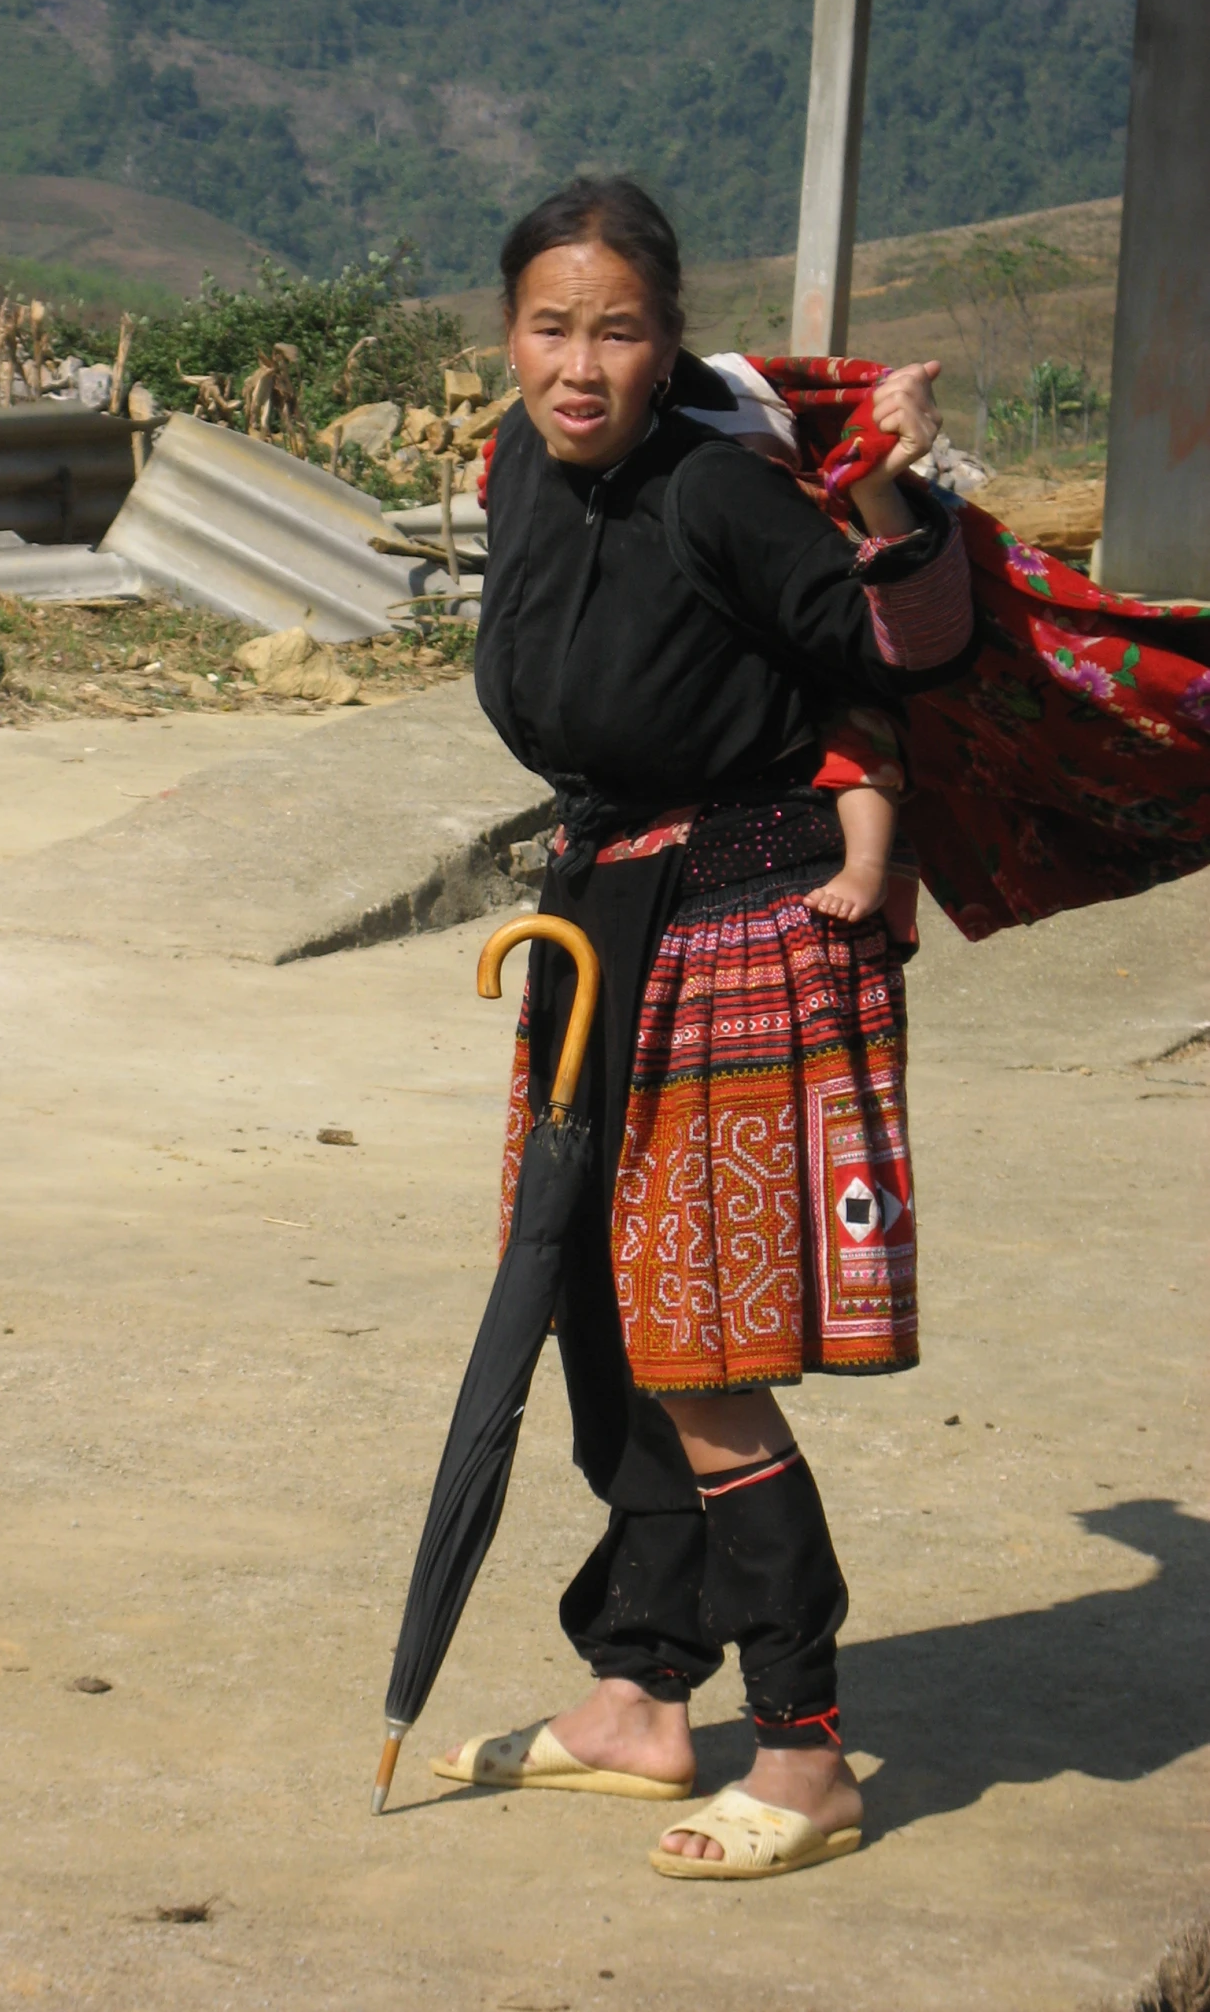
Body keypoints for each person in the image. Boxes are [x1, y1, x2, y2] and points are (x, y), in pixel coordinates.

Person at [432, 175, 974, 1880]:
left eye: (617, 331)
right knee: (594, 1323)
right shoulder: (522, 464)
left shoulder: (718, 489)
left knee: (703, 1351)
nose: (579, 364)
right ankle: (641, 1698)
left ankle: (805, 1747)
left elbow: (896, 644)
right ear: (508, 330)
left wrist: (887, 491)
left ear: (667, 343)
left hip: (735, 929)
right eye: (549, 326)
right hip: (601, 919)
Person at [683, 352, 903, 927]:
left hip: (829, 673)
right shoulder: (686, 505)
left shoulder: (816, 501)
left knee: (859, 744)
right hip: (744, 686)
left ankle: (867, 866)